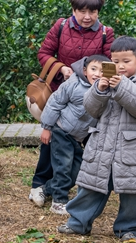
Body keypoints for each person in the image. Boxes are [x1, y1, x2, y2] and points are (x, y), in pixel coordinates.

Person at [57, 36, 136, 242]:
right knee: (91, 187)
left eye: (126, 62)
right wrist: (99, 90)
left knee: (133, 192)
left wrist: (121, 86)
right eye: (115, 62)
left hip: (132, 150)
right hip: (102, 146)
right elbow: (91, 109)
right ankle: (78, 223)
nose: (120, 67)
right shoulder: (105, 82)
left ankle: (128, 229)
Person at [30, 0, 113, 207]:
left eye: (92, 12)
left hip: (91, 98)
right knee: (52, 143)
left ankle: (72, 188)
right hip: (61, 92)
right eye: (82, 11)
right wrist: (62, 69)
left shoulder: (106, 33)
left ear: (98, 12)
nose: (87, 17)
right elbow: (43, 54)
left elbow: (110, 64)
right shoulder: (61, 26)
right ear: (73, 10)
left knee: (82, 149)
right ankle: (39, 185)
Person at [38, 55, 107, 214]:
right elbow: (54, 103)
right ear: (85, 70)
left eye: (102, 71)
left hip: (78, 137)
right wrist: (47, 127)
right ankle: (58, 201)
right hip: (61, 131)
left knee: (77, 171)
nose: (97, 74)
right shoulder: (74, 83)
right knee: (63, 166)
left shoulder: (104, 90)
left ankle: (45, 189)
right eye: (93, 69)